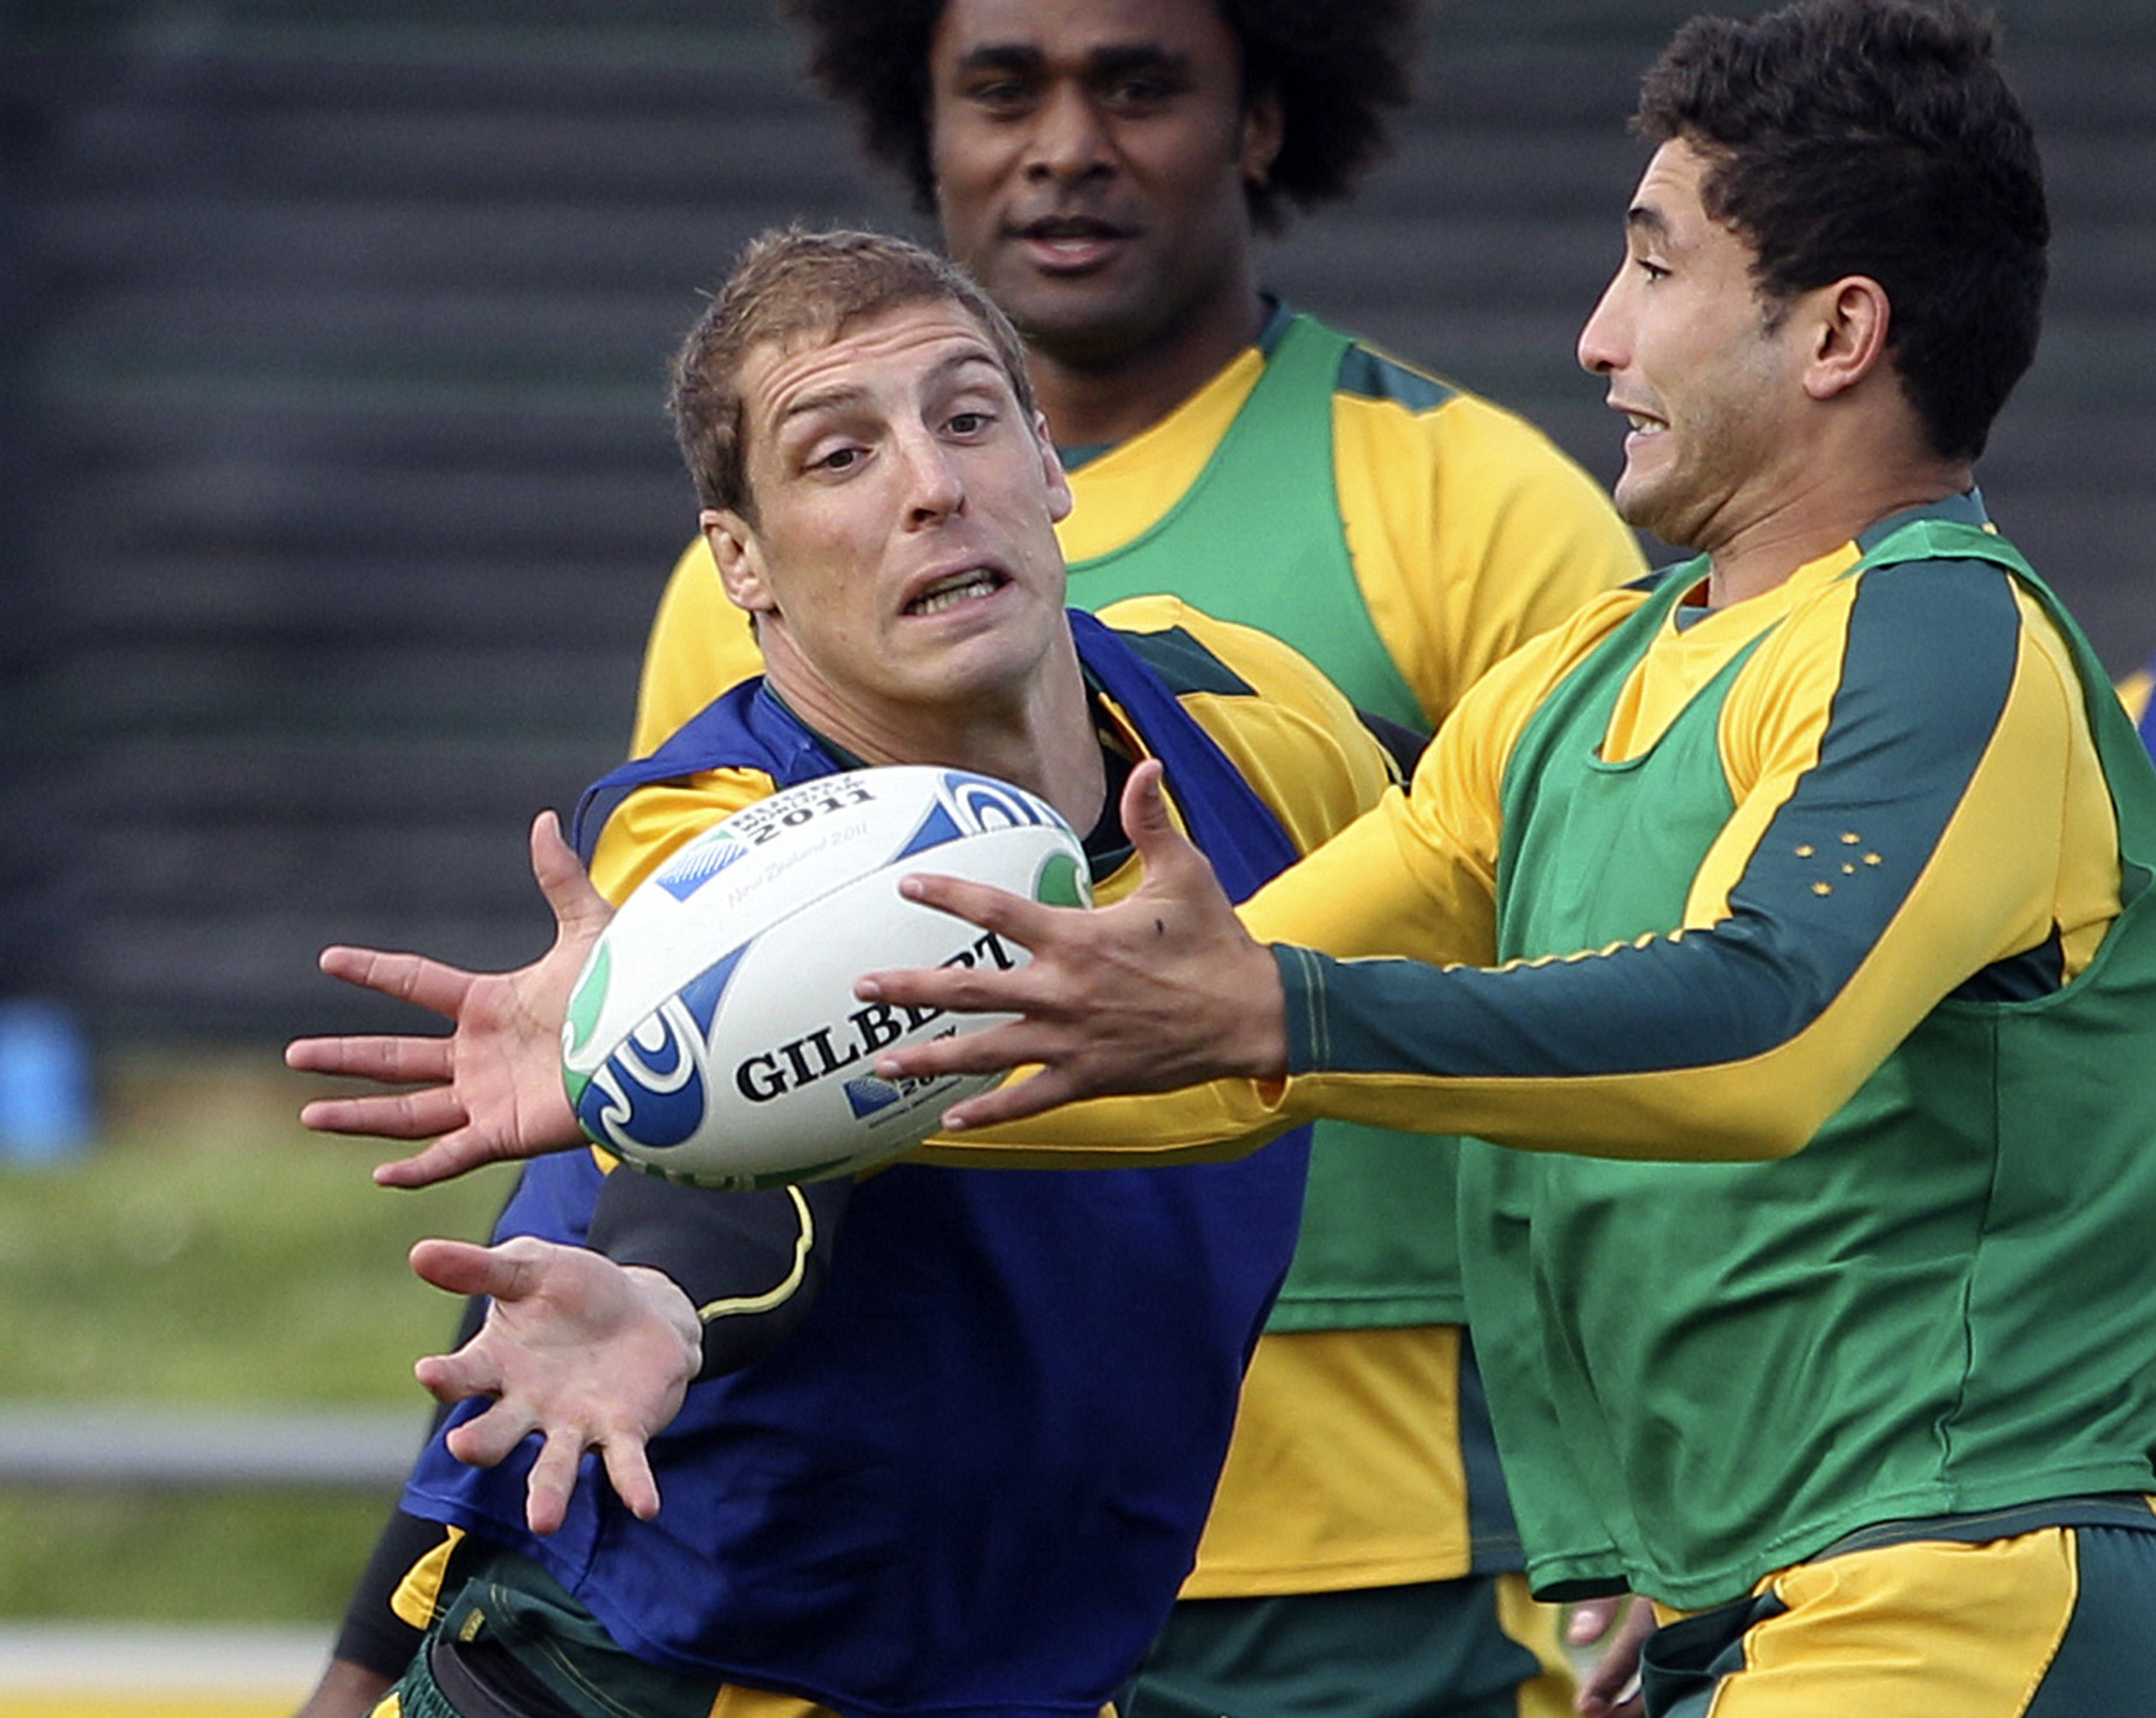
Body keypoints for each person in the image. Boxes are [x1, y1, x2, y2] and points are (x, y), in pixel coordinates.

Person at [295, 3, 1643, 1714]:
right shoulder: (709, 823)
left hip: (1101, 1627)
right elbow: (695, 1162)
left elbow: (1584, 985)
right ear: (745, 566)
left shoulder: (1259, 710)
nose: (930, 488)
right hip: (688, 1654)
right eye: (839, 456)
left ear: (1052, 464)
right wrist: (655, 1276)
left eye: (968, 420)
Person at [854, 3, 2156, 1712]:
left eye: (1654, 267)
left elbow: (1758, 1026)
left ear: (1838, 331)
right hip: (1747, 1615)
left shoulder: (1945, 639)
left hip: (1961, 1587)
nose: (1599, 335)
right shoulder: (1576, 680)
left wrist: (1281, 1014)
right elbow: (1157, 1033)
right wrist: (675, 1089)